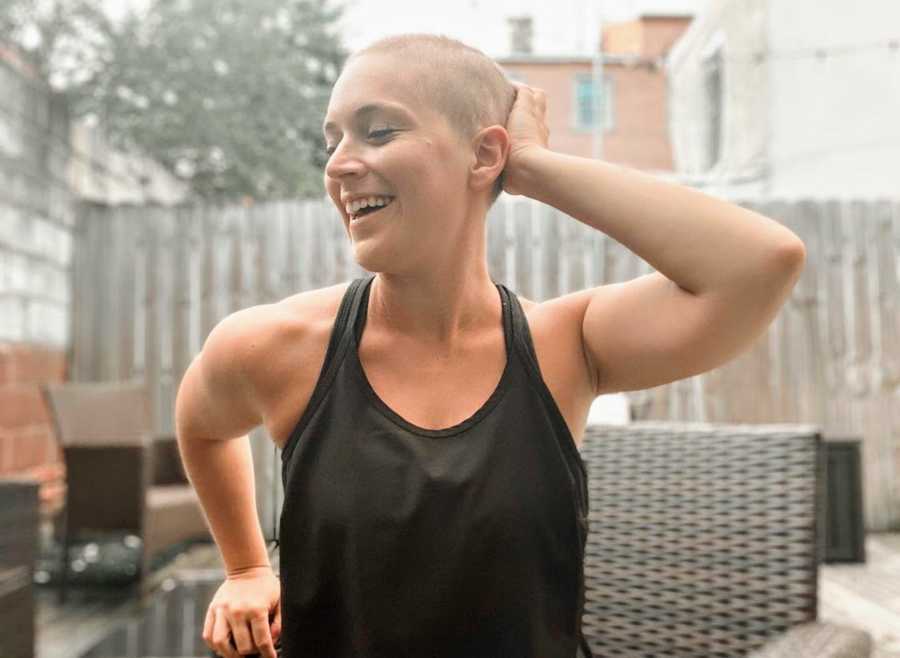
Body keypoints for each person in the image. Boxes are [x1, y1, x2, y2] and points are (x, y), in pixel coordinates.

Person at [174, 32, 806, 658]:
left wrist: (532, 167)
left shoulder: (567, 347)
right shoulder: (276, 347)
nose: (338, 163)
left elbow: (761, 262)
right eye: (332, 139)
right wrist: (245, 569)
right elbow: (201, 425)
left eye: (379, 131)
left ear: (484, 156)